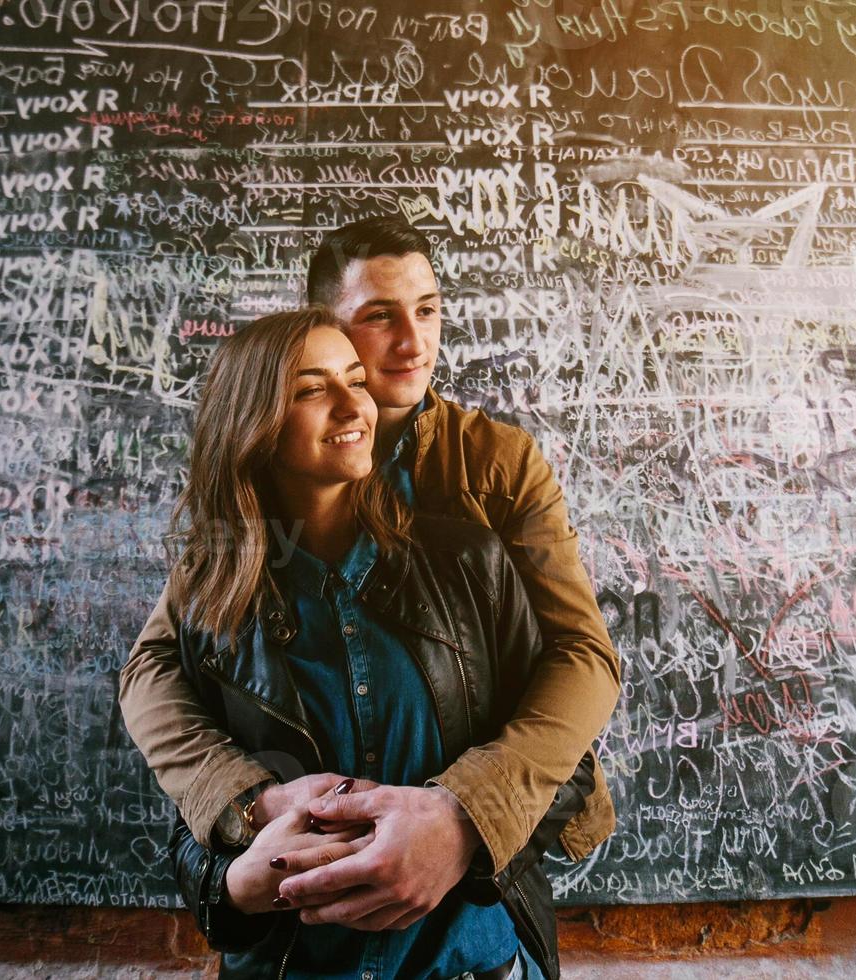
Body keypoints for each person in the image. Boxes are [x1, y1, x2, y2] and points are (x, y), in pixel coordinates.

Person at [120, 217, 620, 974]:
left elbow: (581, 655)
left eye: (426, 309)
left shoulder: (492, 463)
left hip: (482, 866)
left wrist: (463, 816)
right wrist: (250, 804)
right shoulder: (256, 503)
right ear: (322, 326)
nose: (413, 342)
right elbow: (158, 663)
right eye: (379, 316)